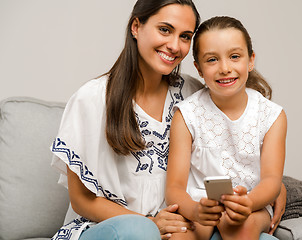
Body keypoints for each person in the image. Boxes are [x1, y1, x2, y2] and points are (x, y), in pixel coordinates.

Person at [49, 0, 285, 239]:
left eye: (185, 36)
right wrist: (150, 223)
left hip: (179, 225)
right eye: (165, 29)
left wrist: (274, 188)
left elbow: (233, 153)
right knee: (139, 232)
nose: (174, 45)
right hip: (114, 228)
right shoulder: (91, 99)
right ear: (136, 27)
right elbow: (81, 200)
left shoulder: (193, 94)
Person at [166, 16, 287, 240]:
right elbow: (174, 187)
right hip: (199, 203)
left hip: (251, 203)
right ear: (199, 69)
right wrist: (195, 211)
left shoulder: (272, 116)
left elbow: (272, 180)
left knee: (237, 225)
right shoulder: (186, 114)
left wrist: (248, 202)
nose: (224, 68)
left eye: (234, 57)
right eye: (212, 60)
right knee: (179, 235)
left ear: (250, 60)